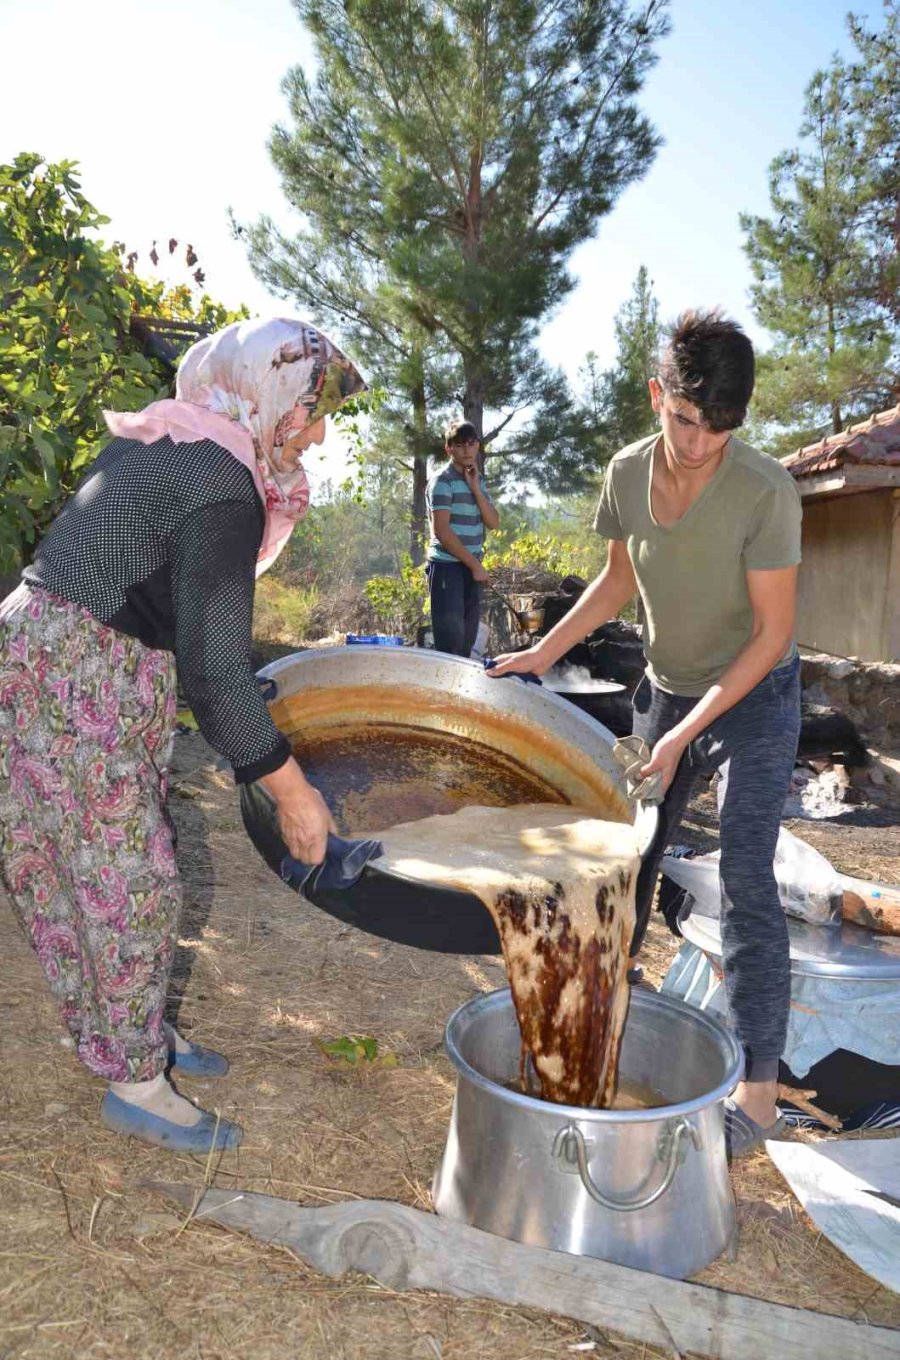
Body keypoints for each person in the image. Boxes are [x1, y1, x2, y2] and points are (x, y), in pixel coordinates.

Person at [0, 318, 365, 1153]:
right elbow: (216, 670)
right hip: (80, 664)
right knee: (132, 876)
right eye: (315, 411)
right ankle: (135, 1083)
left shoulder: (171, 437)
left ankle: (120, 1032)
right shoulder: (221, 482)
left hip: (35, 643)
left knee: (60, 861)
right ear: (272, 400)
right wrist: (295, 794)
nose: (318, 433)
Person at [489, 310, 803, 1158]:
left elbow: (772, 634)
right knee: (628, 858)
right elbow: (617, 581)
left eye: (723, 429)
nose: (702, 445)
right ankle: (603, 1015)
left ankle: (762, 1095)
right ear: (658, 395)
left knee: (743, 870)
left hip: (756, 696)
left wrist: (687, 735)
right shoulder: (627, 473)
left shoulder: (766, 490)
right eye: (689, 422)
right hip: (665, 692)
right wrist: (541, 655)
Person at [426, 419, 499, 657]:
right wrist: (475, 565)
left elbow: (493, 522)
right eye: (459, 445)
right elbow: (442, 532)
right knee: (450, 643)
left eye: (471, 443)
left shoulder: (478, 480)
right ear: (449, 449)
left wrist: (476, 488)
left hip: (470, 569)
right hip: (447, 568)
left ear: (477, 445)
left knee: (466, 642)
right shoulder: (442, 481)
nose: (466, 450)